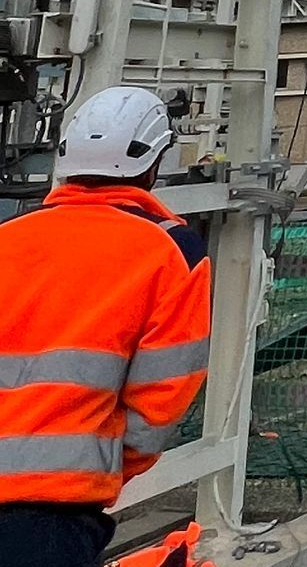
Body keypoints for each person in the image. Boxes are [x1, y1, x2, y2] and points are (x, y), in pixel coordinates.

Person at [0, 87, 211, 567]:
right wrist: (102, 467)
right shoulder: (173, 253)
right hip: (52, 510)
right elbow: (162, 397)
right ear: (155, 164)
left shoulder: (6, 240)